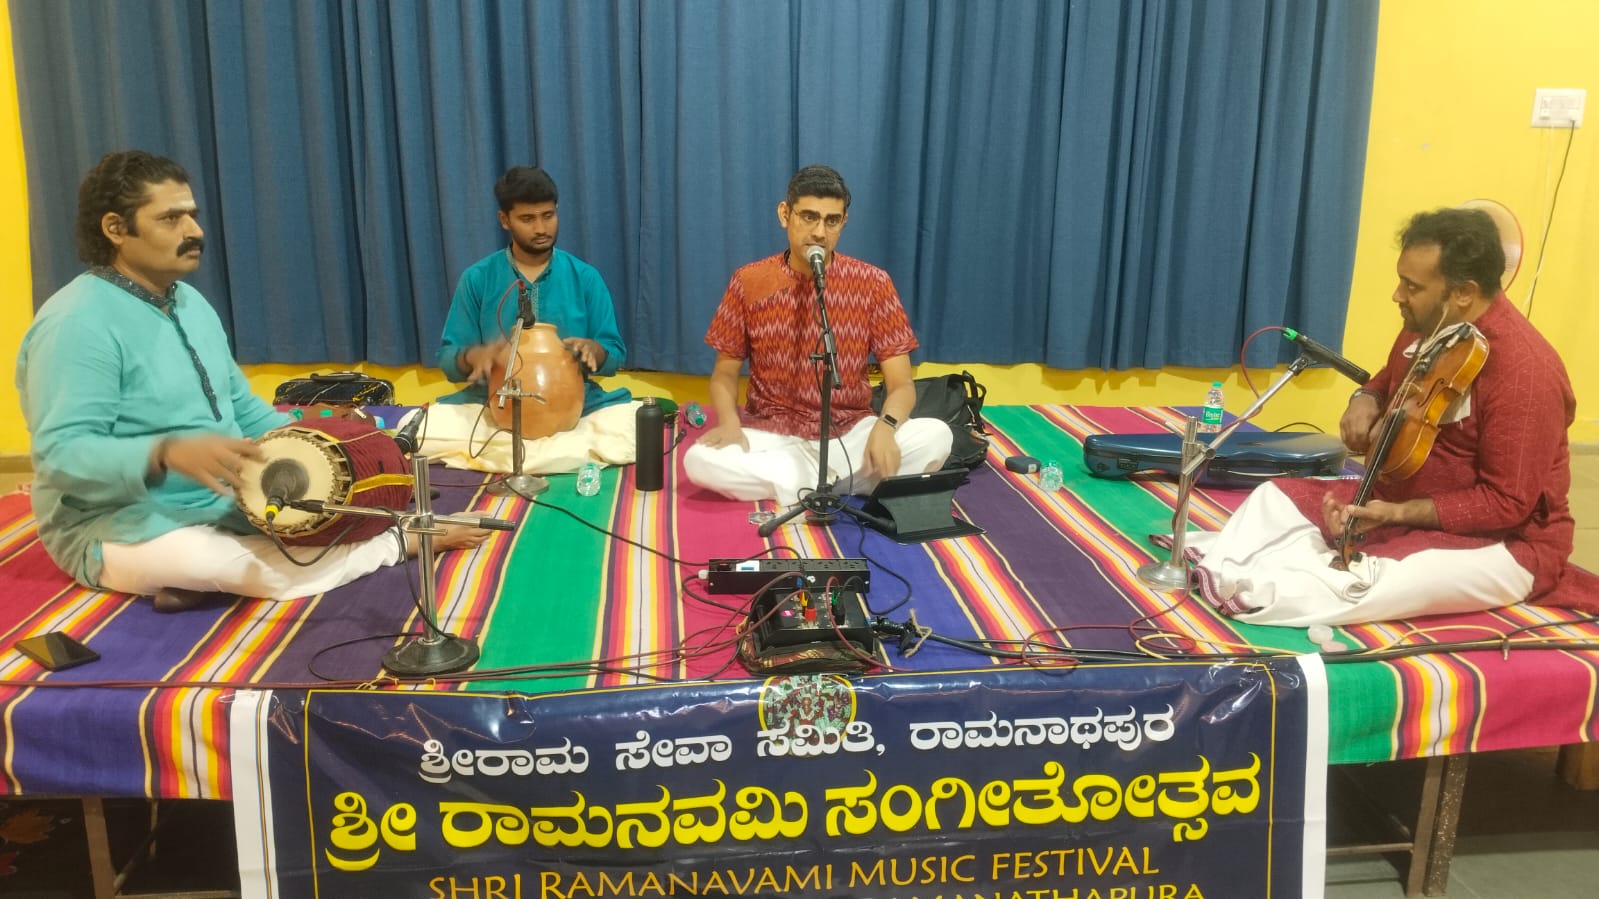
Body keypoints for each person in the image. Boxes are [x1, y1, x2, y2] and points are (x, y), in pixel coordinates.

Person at [17, 150, 489, 612]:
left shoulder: (189, 303)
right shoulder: (77, 323)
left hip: (221, 502)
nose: (195, 231)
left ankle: (194, 582)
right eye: (171, 219)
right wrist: (164, 452)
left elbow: (241, 408)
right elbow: (61, 456)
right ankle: (402, 543)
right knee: (267, 570)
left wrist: (315, 450)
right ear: (116, 229)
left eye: (193, 215)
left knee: (340, 507)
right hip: (114, 523)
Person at [1190, 207, 1576, 626]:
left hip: (1502, 543)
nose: (1397, 295)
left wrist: (1398, 513)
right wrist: (1365, 398)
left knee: (1369, 581)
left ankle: (1271, 582)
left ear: (1464, 292)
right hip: (1392, 504)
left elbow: (1506, 503)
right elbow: (1387, 376)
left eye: (1412, 286)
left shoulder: (1526, 374)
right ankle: (1264, 572)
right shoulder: (1430, 321)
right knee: (1273, 499)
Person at [683, 164, 952, 504]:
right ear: (785, 214)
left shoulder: (873, 283)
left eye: (831, 220)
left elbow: (902, 385)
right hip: (772, 434)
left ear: (844, 222)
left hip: (850, 433)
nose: (820, 232)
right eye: (808, 217)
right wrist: (729, 423)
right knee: (700, 461)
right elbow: (724, 374)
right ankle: (840, 482)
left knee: (937, 435)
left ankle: (806, 484)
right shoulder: (748, 281)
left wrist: (885, 427)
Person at [435, 166, 629, 415]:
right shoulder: (478, 278)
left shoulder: (585, 278)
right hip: (493, 400)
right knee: (430, 426)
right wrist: (472, 357)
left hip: (575, 401)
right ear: (504, 220)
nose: (541, 228)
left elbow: (614, 353)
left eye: (548, 215)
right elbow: (447, 358)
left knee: (630, 426)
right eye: (527, 219)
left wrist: (596, 351)